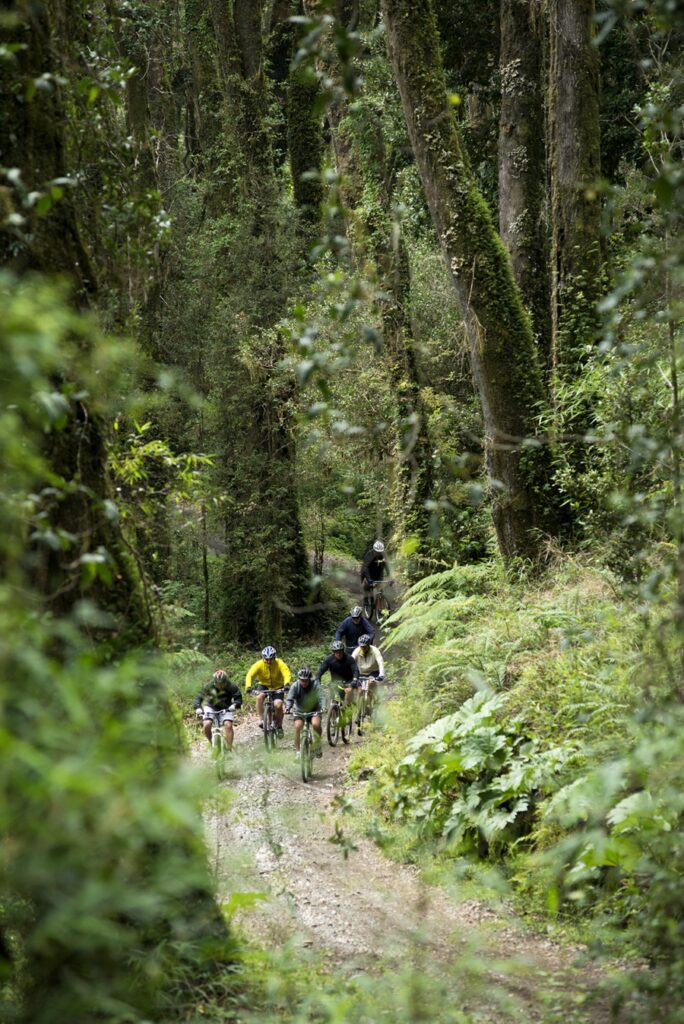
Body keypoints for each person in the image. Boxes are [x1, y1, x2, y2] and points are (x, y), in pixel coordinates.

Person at [245, 645, 292, 737]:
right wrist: (248, 686)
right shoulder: (259, 664)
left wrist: (286, 684)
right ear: (263, 658)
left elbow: (286, 673)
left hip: (278, 686)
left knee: (278, 705)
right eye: (266, 659)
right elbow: (249, 675)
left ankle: (279, 726)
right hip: (264, 685)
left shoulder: (280, 663)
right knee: (259, 697)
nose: (268, 661)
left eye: (271, 659)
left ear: (275, 657)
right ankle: (262, 720)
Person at [194, 669, 243, 751]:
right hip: (211, 706)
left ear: (226, 681)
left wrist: (235, 705)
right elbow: (199, 696)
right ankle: (211, 742)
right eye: (218, 684)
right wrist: (198, 707)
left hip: (226, 707)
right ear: (214, 682)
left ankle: (229, 749)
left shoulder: (231, 686)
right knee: (207, 724)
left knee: (228, 725)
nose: (220, 686)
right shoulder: (209, 685)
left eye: (222, 684)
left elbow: (238, 698)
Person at [285, 667, 325, 759]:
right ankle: (298, 752)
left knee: (315, 724)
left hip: (314, 710)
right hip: (300, 711)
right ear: (299, 679)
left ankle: (318, 744)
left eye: (306, 680)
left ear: (309, 679)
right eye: (302, 680)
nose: (304, 682)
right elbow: (290, 699)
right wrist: (288, 707)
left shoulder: (315, 685)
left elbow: (322, 696)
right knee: (298, 726)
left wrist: (323, 706)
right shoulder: (295, 686)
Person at [351, 634, 385, 730]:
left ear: (369, 645)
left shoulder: (375, 651)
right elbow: (350, 662)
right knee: (360, 691)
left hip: (373, 672)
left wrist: (381, 675)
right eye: (361, 646)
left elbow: (380, 663)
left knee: (370, 684)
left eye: (365, 646)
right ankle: (359, 711)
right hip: (361, 673)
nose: (363, 648)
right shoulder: (357, 651)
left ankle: (374, 701)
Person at [316, 639, 359, 708]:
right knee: (331, 698)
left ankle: (349, 711)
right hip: (335, 682)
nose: (338, 653)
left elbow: (355, 670)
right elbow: (320, 671)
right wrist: (318, 680)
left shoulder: (349, 659)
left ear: (343, 651)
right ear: (333, 652)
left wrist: (355, 679)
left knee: (348, 694)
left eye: (340, 651)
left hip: (348, 682)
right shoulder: (329, 659)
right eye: (336, 652)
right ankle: (332, 716)